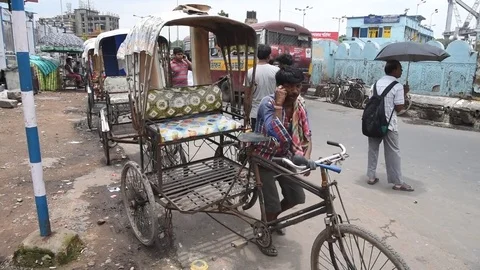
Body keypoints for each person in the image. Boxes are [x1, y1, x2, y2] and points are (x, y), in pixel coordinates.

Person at [254, 66, 313, 256]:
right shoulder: (268, 103)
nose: (296, 91)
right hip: (265, 158)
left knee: (297, 197)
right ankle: (264, 229)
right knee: (272, 204)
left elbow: (307, 134)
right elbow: (276, 132)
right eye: (290, 87)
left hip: (286, 158)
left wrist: (306, 157)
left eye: (298, 86)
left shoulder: (299, 104)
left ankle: (271, 218)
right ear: (280, 87)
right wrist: (279, 105)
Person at [366, 60, 414, 192]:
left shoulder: (375, 85)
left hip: (374, 123)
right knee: (393, 152)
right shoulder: (397, 86)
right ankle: (398, 182)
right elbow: (399, 108)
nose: (402, 71)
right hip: (389, 125)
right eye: (400, 69)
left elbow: (371, 102)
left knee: (373, 149)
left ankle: (371, 176)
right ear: (394, 70)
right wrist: (404, 92)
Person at [245, 44, 279, 129]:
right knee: (271, 140)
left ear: (257, 56)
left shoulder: (250, 72)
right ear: (269, 56)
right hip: (272, 113)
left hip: (255, 114)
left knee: (256, 139)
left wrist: (246, 115)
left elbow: (247, 97)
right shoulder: (277, 71)